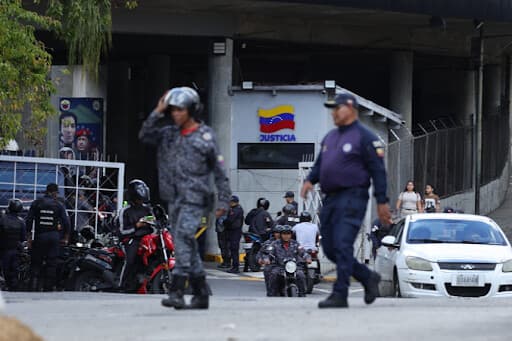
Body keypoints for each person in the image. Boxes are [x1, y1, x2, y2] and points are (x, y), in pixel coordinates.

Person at [139, 86, 231, 310]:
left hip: (196, 198)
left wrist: (224, 200)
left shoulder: (206, 136)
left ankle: (177, 291)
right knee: (186, 242)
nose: (176, 114)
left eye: (180, 110)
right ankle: (201, 293)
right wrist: (158, 111)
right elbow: (145, 135)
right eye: (173, 110)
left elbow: (219, 171)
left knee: (183, 237)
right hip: (174, 198)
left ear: (191, 110)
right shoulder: (168, 134)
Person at [301, 92, 392, 308]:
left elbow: (378, 172)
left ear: (350, 108)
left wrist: (382, 202)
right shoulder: (330, 137)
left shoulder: (366, 137)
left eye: (337, 108)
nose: (333, 113)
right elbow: (319, 165)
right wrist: (309, 181)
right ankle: (367, 276)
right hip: (330, 198)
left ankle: (340, 293)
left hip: (353, 196)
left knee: (343, 243)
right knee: (331, 248)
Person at [26, 183, 70, 291]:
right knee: (52, 263)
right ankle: (48, 288)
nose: (56, 195)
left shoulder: (37, 203)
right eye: (56, 193)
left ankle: (33, 286)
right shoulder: (58, 205)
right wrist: (66, 237)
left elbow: (29, 220)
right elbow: (66, 222)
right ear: (52, 192)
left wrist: (29, 238)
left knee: (36, 262)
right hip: (54, 237)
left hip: (40, 236)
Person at [118, 179, 154, 292]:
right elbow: (122, 231)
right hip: (130, 239)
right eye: (138, 199)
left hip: (146, 239)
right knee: (130, 260)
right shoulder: (125, 211)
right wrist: (136, 226)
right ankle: (121, 284)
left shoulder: (147, 209)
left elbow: (153, 221)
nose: (140, 201)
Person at [263, 225, 311, 297]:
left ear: (291, 235)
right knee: (273, 274)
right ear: (281, 234)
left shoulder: (295, 244)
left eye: (288, 234)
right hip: (279, 267)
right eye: (284, 234)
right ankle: (271, 294)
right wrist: (266, 259)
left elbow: (303, 252)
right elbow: (268, 253)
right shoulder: (275, 244)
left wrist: (307, 258)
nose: (286, 236)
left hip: (293, 267)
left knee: (301, 275)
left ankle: (302, 294)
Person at [0, 199, 26, 290]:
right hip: (15, 249)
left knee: (5, 268)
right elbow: (23, 238)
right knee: (14, 269)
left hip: (3, 249)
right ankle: (13, 285)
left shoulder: (2, 219)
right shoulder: (21, 221)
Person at [257, 225, 283, 296]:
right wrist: (261, 259)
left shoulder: (290, 243)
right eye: (276, 232)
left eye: (280, 233)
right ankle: (270, 291)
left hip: (287, 265)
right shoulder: (268, 243)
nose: (278, 234)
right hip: (273, 264)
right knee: (267, 270)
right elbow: (261, 253)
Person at [223, 195, 244, 274]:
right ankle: (234, 266)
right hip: (233, 231)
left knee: (234, 249)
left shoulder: (236, 210)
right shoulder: (235, 209)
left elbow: (230, 220)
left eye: (231, 202)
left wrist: (224, 222)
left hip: (235, 231)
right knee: (233, 249)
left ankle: (235, 267)